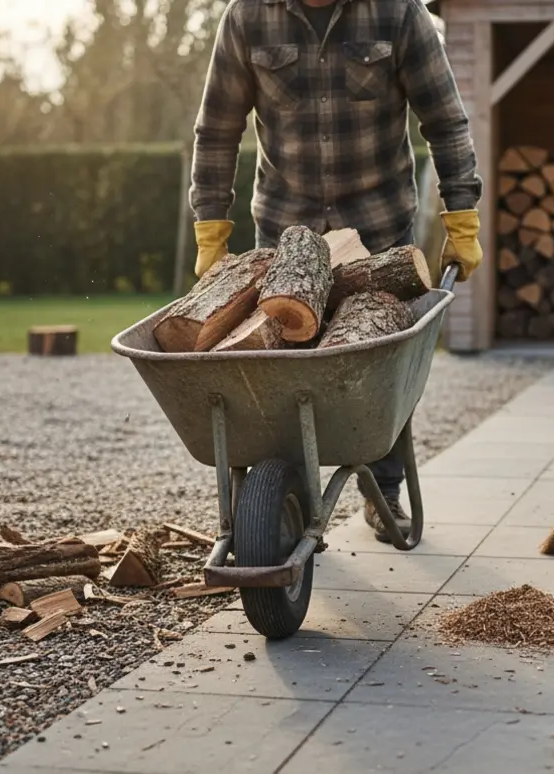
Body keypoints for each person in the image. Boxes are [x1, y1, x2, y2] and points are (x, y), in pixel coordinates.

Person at [188, 0, 483, 543]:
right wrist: (211, 231)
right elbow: (217, 131)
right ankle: (284, 496)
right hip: (285, 237)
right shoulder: (247, 17)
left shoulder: (397, 13)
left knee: (377, 363)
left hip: (378, 233)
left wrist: (461, 215)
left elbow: (444, 119)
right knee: (276, 368)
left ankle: (384, 489)